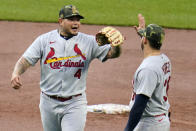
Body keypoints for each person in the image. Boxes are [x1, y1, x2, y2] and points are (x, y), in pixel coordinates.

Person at [11, 5, 121, 131]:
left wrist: (116, 45)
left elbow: (112, 53)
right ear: (60, 21)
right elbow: (26, 60)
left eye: (78, 20)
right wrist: (16, 73)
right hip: (48, 102)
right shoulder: (44, 40)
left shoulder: (89, 41)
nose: (76, 23)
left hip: (74, 103)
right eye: (71, 19)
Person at [124, 14, 171, 131]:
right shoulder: (164, 59)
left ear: (145, 40)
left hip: (149, 124)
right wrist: (142, 34)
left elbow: (139, 105)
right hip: (161, 119)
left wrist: (128, 129)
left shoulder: (148, 69)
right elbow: (149, 48)